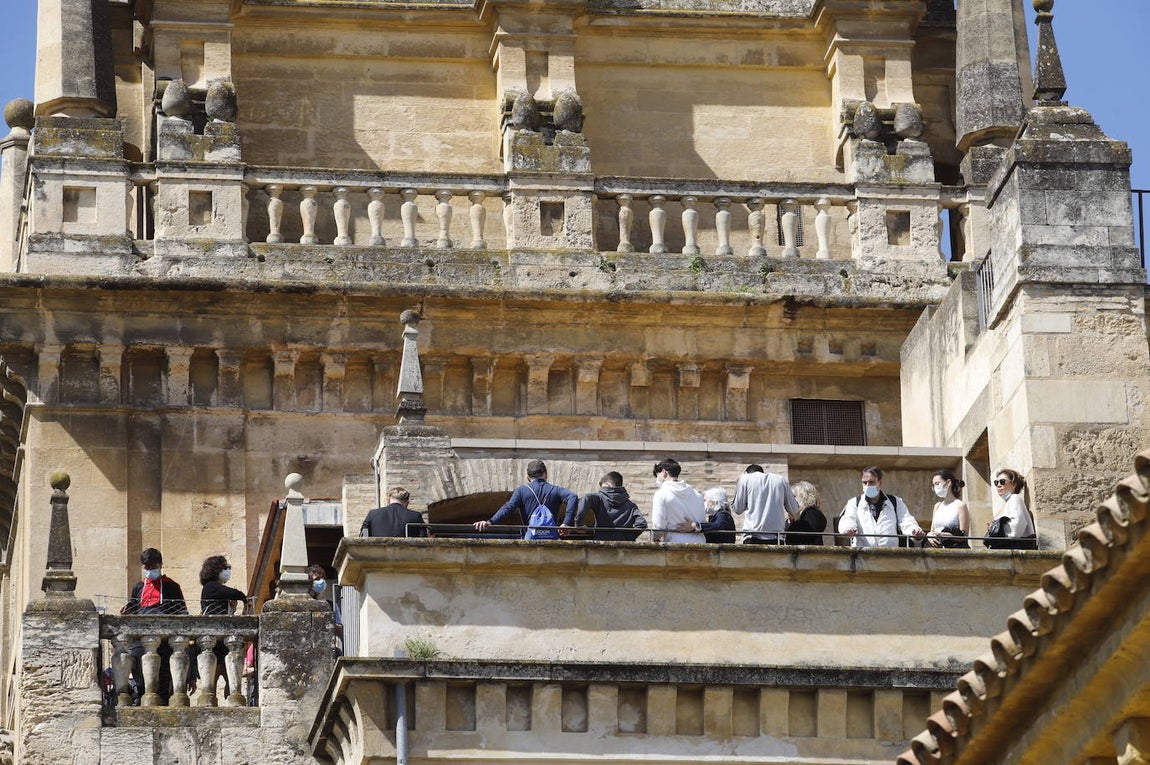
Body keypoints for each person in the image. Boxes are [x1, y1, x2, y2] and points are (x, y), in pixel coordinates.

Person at [120, 548, 188, 704]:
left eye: (153, 566)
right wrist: (127, 611)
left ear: (160, 564)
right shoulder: (138, 587)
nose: (149, 569)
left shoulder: (172, 586)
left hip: (164, 639)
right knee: (137, 667)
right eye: (146, 566)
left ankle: (163, 702)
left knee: (163, 674)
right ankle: (141, 699)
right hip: (141, 638)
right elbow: (133, 608)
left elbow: (182, 612)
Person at [473, 459, 578, 538]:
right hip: (551, 539)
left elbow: (508, 507)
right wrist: (566, 523)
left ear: (528, 478)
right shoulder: (556, 490)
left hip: (530, 540)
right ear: (545, 474)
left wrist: (490, 522)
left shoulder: (522, 490)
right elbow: (573, 496)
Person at [837, 466, 926, 548]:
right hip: (862, 555)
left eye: (871, 482)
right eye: (864, 483)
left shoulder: (895, 501)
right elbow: (848, 518)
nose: (867, 485)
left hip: (889, 554)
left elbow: (906, 520)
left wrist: (915, 531)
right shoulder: (854, 502)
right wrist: (847, 528)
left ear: (879, 482)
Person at [198, 555, 248, 698]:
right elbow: (233, 593)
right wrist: (243, 597)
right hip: (214, 640)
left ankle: (230, 700)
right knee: (212, 679)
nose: (227, 571)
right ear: (216, 570)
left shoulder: (216, 589)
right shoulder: (210, 587)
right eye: (224, 568)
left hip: (223, 640)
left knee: (230, 678)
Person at [563, 471, 648, 541]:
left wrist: (578, 525)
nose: (601, 490)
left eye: (602, 488)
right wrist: (628, 537)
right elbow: (642, 524)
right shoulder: (631, 506)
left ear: (608, 484)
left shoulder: (599, 497)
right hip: (623, 549)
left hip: (601, 546)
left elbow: (586, 497)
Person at [732, 464, 798, 545]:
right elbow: (794, 509)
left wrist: (740, 483)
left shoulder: (745, 479)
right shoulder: (781, 480)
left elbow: (737, 509)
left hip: (752, 536)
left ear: (746, 473)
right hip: (776, 537)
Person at [650, 458, 706, 543]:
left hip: (676, 543)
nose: (657, 480)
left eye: (657, 476)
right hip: (700, 543)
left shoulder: (661, 494)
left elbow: (659, 525)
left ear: (664, 473)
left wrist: (655, 537)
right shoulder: (697, 495)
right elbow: (702, 522)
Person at [985, 468, 1037, 550]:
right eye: (996, 482)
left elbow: (1016, 527)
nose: (998, 485)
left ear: (1013, 484)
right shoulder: (1010, 501)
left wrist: (997, 528)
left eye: (1002, 481)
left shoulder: (1014, 498)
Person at [926, 469, 970, 549]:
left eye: (937, 484)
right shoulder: (937, 506)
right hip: (935, 548)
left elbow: (964, 536)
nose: (935, 488)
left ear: (948, 483)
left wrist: (948, 535)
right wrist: (929, 535)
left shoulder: (960, 505)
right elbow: (932, 530)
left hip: (952, 548)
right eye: (934, 485)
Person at [360, 487, 426, 537]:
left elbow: (363, 537)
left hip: (377, 551)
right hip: (406, 551)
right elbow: (423, 540)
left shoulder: (372, 514)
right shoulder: (416, 516)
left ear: (388, 501)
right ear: (407, 503)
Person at [785, 481, 827, 545]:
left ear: (803, 496)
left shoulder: (812, 513)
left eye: (794, 496)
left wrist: (790, 527)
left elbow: (807, 535)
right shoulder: (808, 513)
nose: (792, 500)